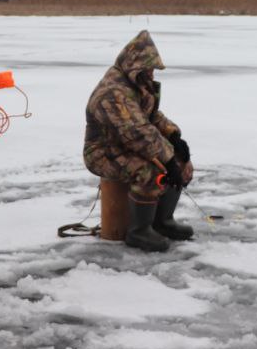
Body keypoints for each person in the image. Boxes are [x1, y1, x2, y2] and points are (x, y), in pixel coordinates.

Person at [83, 30, 195, 252]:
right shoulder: (113, 92)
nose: (152, 74)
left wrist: (175, 137)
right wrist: (168, 158)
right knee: (151, 171)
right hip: (103, 152)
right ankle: (138, 231)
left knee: (178, 163)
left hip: (126, 145)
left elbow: (151, 117)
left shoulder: (136, 84)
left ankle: (162, 221)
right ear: (135, 65)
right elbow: (137, 132)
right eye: (149, 69)